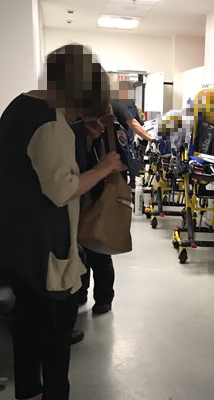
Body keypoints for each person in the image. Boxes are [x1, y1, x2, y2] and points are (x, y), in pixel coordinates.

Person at [0, 44, 124, 400]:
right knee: (56, 337)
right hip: (43, 247)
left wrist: (80, 136)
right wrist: (104, 167)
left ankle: (28, 392)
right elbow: (63, 189)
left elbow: (39, 164)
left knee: (27, 326)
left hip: (15, 243)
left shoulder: (21, 105)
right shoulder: (50, 122)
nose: (79, 113)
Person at [70, 106, 135, 314]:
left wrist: (106, 168)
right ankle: (81, 291)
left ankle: (104, 298)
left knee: (99, 248)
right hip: (78, 194)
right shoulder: (74, 129)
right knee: (79, 246)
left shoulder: (113, 129)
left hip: (101, 194)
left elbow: (127, 163)